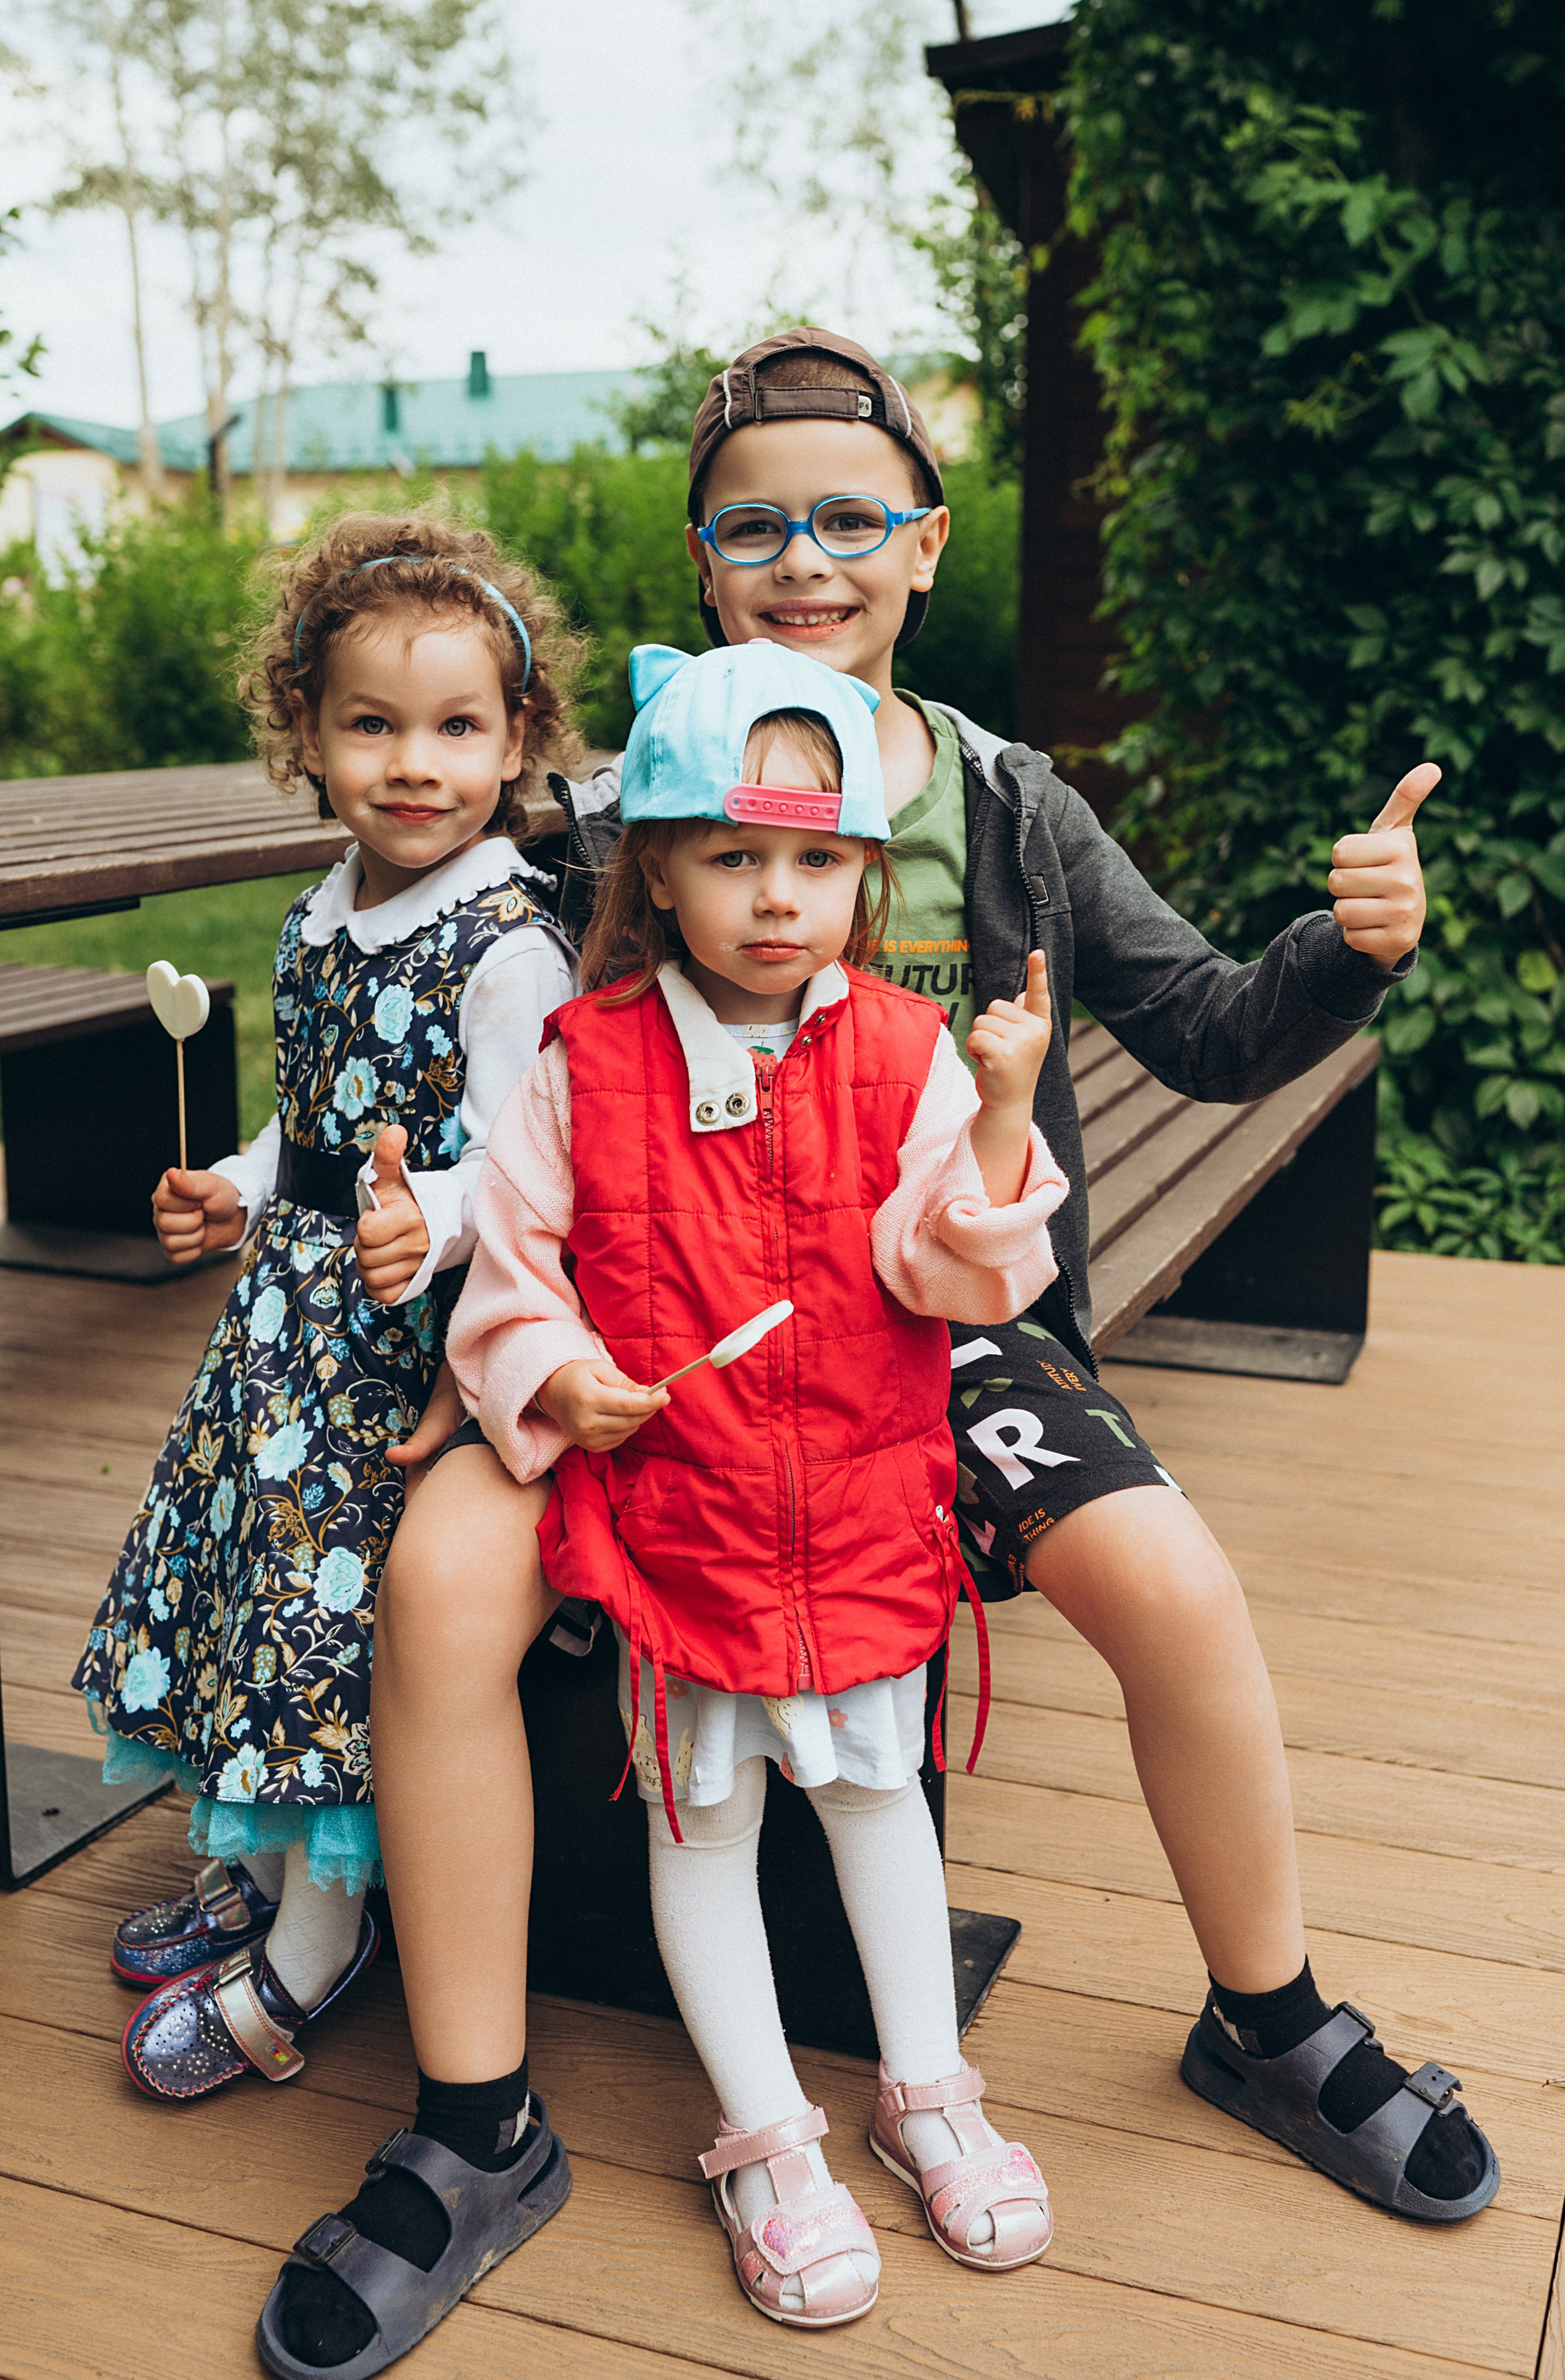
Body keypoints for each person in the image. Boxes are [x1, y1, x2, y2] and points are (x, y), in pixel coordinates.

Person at [390, 327, 1501, 2229]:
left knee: (1167, 1572)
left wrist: (1348, 949)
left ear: (927, 545)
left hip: (942, 1326)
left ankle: (1272, 2019)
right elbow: (499, 1090)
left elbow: (1216, 1032)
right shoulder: (608, 819)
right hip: (636, 1341)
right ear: (701, 559)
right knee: (438, 1581)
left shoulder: (1009, 807)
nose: (805, 557)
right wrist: (468, 1309)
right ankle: (474, 2122)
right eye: (757, 526)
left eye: (851, 517)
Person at [259, 636, 1061, 2365]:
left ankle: (929, 2094)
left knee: (874, 1805)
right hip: (680, 1520)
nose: (781, 899)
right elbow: (516, 1267)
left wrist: (996, 1124)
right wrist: (551, 1377)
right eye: (734, 855)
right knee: (701, 1825)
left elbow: (958, 1278)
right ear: (657, 867)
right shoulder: (581, 1058)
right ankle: (767, 2138)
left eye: (821, 859)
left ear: (864, 868)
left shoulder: (913, 1052)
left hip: (856, 1507)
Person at [72, 512, 581, 2160]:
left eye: (457, 729)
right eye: (371, 724)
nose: (414, 764)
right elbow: (313, 1133)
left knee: (324, 1637)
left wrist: (421, 1216)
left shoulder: (507, 947)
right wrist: (231, 1188)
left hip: (401, 1361)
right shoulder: (321, 913)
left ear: (518, 742)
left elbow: (522, 1166)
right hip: (279, 1344)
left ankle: (313, 1948)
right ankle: (260, 1867)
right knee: (241, 1593)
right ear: (307, 732)